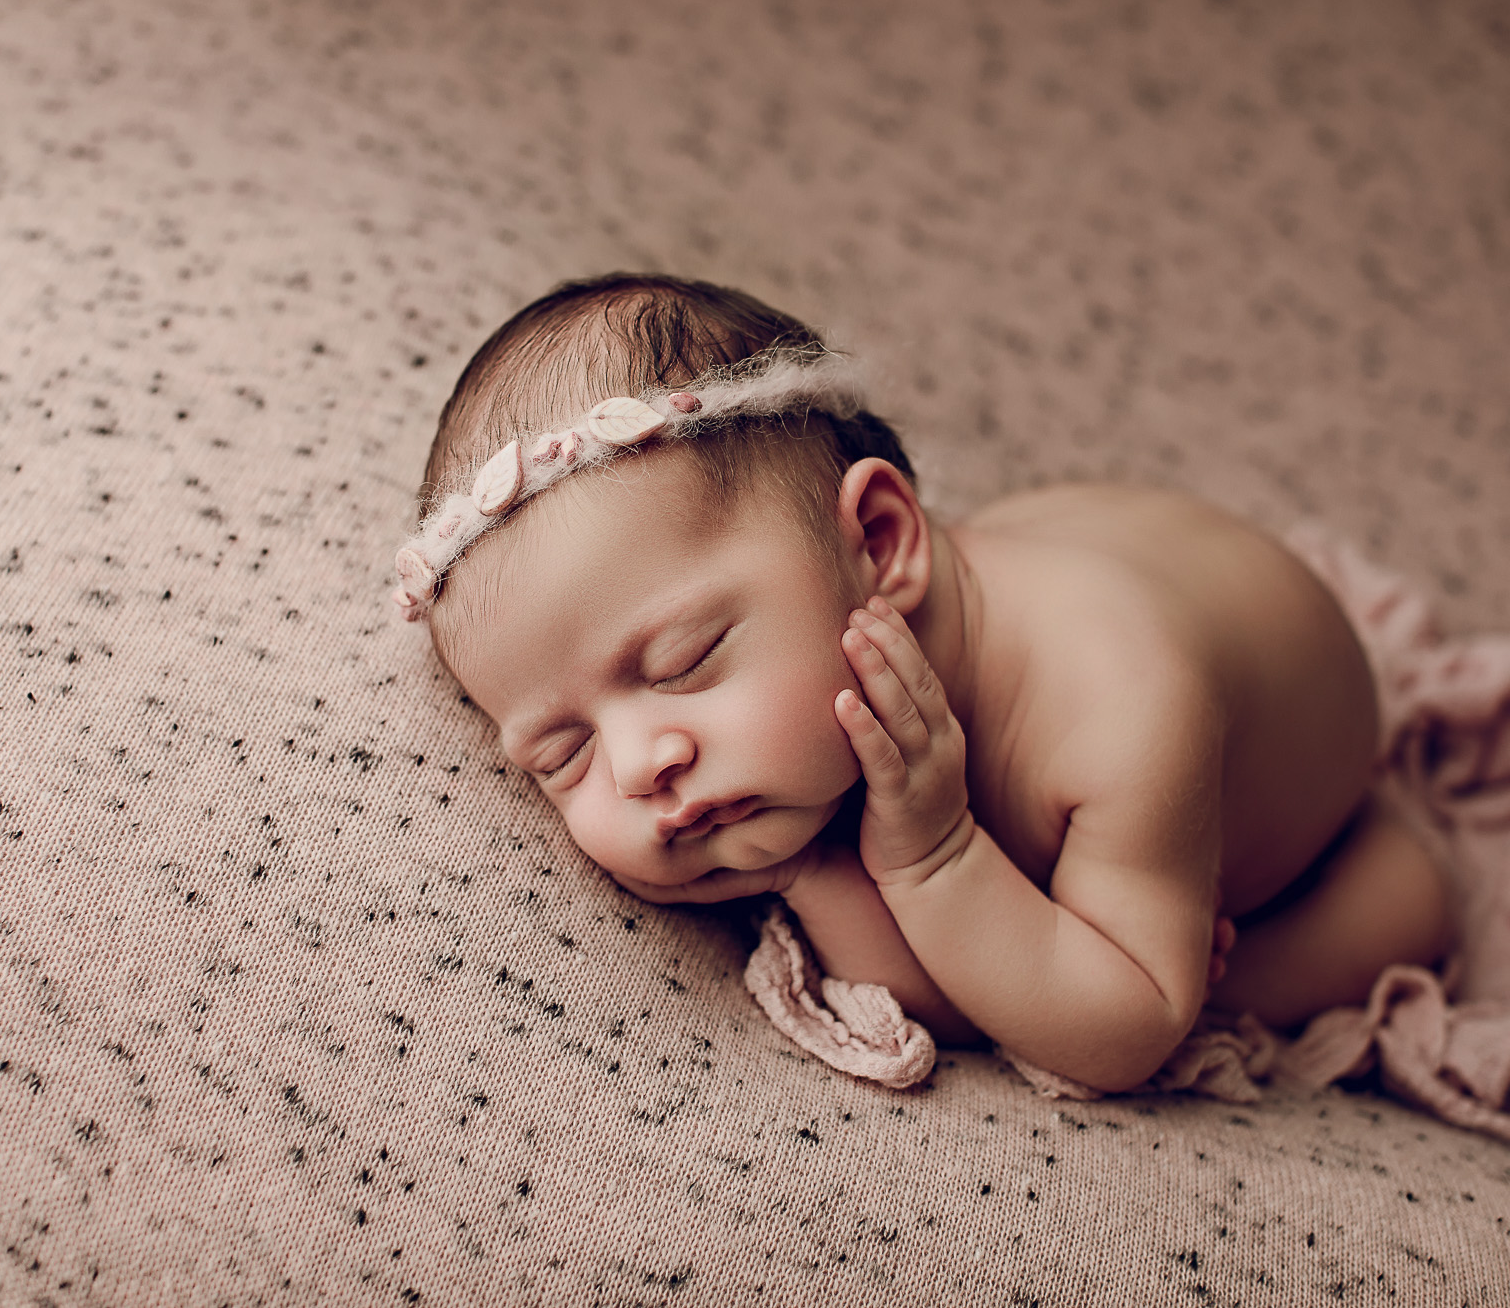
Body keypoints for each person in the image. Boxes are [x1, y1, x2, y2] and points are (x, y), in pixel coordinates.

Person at [393, 273, 1452, 1094]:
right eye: (559, 752)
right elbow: (942, 990)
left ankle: (1266, 945)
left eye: (680, 662)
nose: (637, 765)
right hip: (1049, 564)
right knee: (1010, 960)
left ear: (880, 543)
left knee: (1401, 907)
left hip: (1277, 717)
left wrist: (939, 857)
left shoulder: (1117, 707)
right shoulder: (805, 716)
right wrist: (807, 871)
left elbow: (1116, 1034)